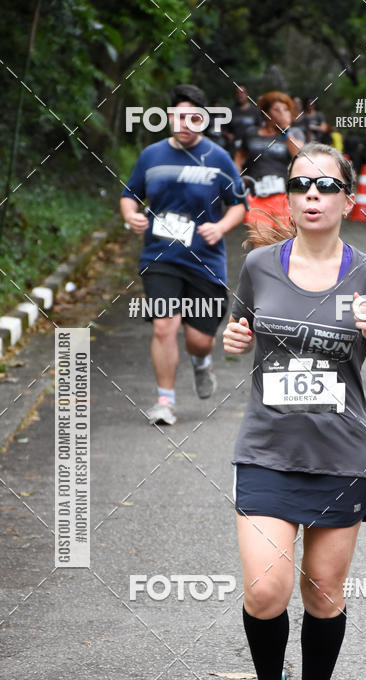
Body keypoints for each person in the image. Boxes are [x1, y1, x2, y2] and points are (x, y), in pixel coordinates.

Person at [220, 143, 366, 680]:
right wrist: (233, 337)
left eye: (326, 187)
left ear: (348, 200)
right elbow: (241, 327)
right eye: (301, 184)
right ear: (291, 194)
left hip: (339, 457)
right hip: (266, 448)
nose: (312, 195)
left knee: (323, 593)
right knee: (265, 590)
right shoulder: (258, 265)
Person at [120, 83, 247, 424]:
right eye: (178, 117)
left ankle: (201, 362)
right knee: (164, 326)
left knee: (198, 340)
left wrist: (220, 228)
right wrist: (130, 215)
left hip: (205, 260)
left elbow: (239, 206)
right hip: (160, 257)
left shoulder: (218, 158)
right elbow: (130, 194)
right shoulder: (152, 155)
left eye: (193, 118)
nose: (185, 124)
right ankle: (165, 401)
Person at [234, 91, 304, 229]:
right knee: (261, 243)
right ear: (266, 112)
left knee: (283, 243)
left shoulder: (294, 134)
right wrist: (238, 177)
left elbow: (300, 156)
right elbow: (240, 156)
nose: (281, 113)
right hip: (256, 195)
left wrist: (285, 131)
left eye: (285, 109)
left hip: (284, 197)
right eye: (276, 109)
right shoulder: (251, 133)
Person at [223, 84, 260, 158]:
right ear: (235, 95)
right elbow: (221, 130)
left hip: (251, 147)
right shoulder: (229, 111)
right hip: (233, 148)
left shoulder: (255, 111)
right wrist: (227, 135)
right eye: (238, 93)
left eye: (242, 92)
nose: (240, 95)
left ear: (246, 94)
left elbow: (260, 129)